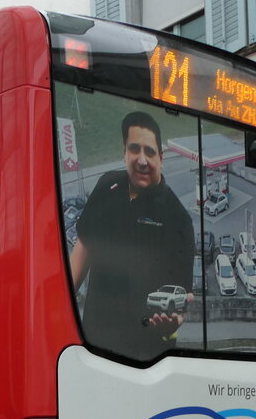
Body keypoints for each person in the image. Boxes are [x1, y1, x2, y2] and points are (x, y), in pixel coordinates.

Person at [69, 111, 195, 361]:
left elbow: (181, 300)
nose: (141, 160)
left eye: (149, 152)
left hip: (145, 359)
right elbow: (82, 250)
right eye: (134, 149)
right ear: (124, 151)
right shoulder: (107, 185)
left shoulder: (179, 219)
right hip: (91, 347)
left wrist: (172, 324)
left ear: (161, 157)